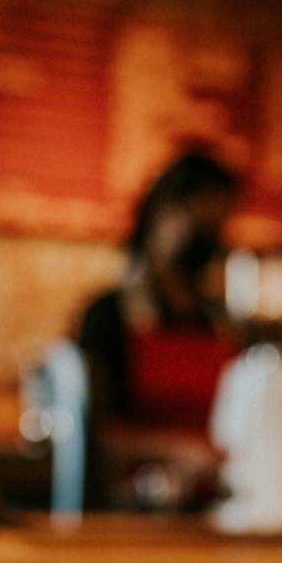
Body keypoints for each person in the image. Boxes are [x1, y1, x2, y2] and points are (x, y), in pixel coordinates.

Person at [77, 151, 241, 504]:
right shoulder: (109, 315)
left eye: (217, 225)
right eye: (198, 221)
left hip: (218, 504)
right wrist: (180, 451)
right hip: (134, 507)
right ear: (159, 212)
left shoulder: (220, 322)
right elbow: (94, 435)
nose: (209, 237)